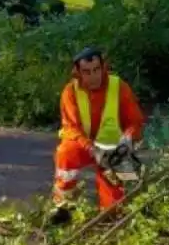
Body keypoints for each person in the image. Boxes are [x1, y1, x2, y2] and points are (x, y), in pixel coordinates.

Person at [50, 47, 145, 224]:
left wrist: (127, 140)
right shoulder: (70, 92)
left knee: (114, 207)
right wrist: (91, 148)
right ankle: (63, 207)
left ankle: (111, 213)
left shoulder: (119, 87)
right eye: (87, 72)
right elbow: (71, 127)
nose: (93, 76)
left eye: (96, 70)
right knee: (65, 152)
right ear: (78, 73)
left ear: (103, 68)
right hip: (84, 146)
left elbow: (135, 121)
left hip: (113, 148)